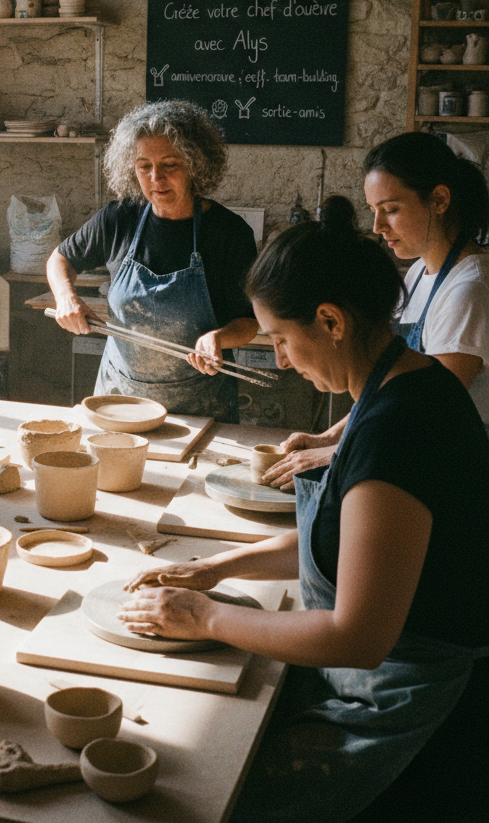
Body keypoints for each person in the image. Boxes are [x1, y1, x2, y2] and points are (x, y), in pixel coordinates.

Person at [119, 204, 489, 823]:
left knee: (216, 793)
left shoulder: (397, 430)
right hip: (390, 673)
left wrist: (203, 616)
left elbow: (358, 636)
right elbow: (355, 545)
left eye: (283, 340)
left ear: (330, 320)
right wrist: (217, 568)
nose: (283, 360)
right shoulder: (404, 383)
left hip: (418, 705)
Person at [265, 133, 489, 489]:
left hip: (453, 470)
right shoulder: (418, 273)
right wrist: (330, 437)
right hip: (412, 454)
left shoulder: (470, 289)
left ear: (440, 200)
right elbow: (390, 386)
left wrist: (337, 452)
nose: (377, 227)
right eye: (373, 211)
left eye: (391, 209)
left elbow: (426, 409)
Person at [47, 99, 259, 422]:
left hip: (199, 412)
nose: (155, 177)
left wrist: (219, 338)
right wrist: (66, 297)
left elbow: (249, 321)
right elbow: (60, 259)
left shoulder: (229, 234)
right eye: (144, 166)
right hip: (119, 406)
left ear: (195, 164)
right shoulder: (119, 218)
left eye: (170, 164)